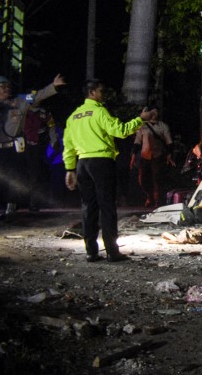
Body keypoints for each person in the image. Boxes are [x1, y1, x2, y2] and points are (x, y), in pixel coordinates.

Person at [63, 80, 156, 262]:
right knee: (107, 206)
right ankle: (112, 252)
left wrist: (70, 169)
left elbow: (68, 146)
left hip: (82, 164)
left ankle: (91, 251)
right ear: (92, 92)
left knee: (88, 207)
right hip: (101, 162)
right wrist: (140, 119)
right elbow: (120, 131)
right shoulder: (99, 111)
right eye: (100, 90)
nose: (103, 93)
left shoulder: (74, 116)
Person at [0, 73, 65, 217]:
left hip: (12, 148)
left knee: (14, 177)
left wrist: (53, 86)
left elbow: (37, 96)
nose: (6, 90)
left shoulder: (19, 102)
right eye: (2, 87)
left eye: (8, 87)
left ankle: (11, 206)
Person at [130, 108, 174, 208]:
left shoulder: (163, 126)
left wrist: (169, 154)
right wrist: (133, 155)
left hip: (158, 155)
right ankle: (149, 196)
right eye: (152, 112)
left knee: (157, 179)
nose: (154, 114)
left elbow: (169, 142)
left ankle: (157, 201)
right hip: (145, 155)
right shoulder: (142, 125)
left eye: (155, 111)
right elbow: (137, 141)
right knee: (142, 179)